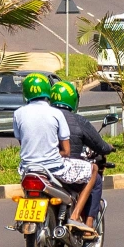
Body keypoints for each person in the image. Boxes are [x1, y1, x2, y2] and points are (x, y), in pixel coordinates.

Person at [12, 73, 94, 234]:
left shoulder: (18, 113)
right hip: (54, 168)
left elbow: (23, 142)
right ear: (47, 92)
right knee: (93, 170)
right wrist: (58, 152)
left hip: (28, 169)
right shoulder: (55, 113)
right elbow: (66, 150)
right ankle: (76, 215)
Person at [49, 81, 113, 231]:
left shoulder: (45, 118)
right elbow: (100, 146)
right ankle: (87, 224)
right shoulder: (78, 120)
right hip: (66, 170)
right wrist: (109, 147)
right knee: (95, 177)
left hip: (42, 168)